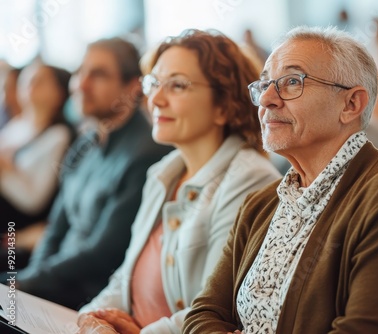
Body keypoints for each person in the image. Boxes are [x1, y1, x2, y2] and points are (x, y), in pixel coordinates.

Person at [183, 26, 378, 333]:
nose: (266, 99)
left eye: (292, 82)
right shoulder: (260, 204)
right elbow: (203, 313)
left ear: (351, 105)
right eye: (264, 84)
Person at [76, 29, 281, 334]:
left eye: (177, 85)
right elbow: (124, 279)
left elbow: (217, 310)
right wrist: (92, 319)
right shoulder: (161, 174)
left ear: (223, 105)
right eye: (154, 83)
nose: (155, 99)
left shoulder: (250, 180)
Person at [0, 38, 172, 310]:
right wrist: (27, 279)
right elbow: (56, 227)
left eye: (99, 75)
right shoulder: (86, 143)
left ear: (132, 86)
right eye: (81, 72)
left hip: (87, 297)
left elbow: (102, 254)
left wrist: (24, 283)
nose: (81, 84)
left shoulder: (147, 154)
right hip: (51, 282)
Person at [0, 62, 74, 270]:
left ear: (59, 93)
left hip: (16, 229)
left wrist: (6, 171)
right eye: (27, 78)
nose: (30, 84)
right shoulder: (16, 124)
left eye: (40, 81)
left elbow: (35, 201)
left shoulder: (59, 136)